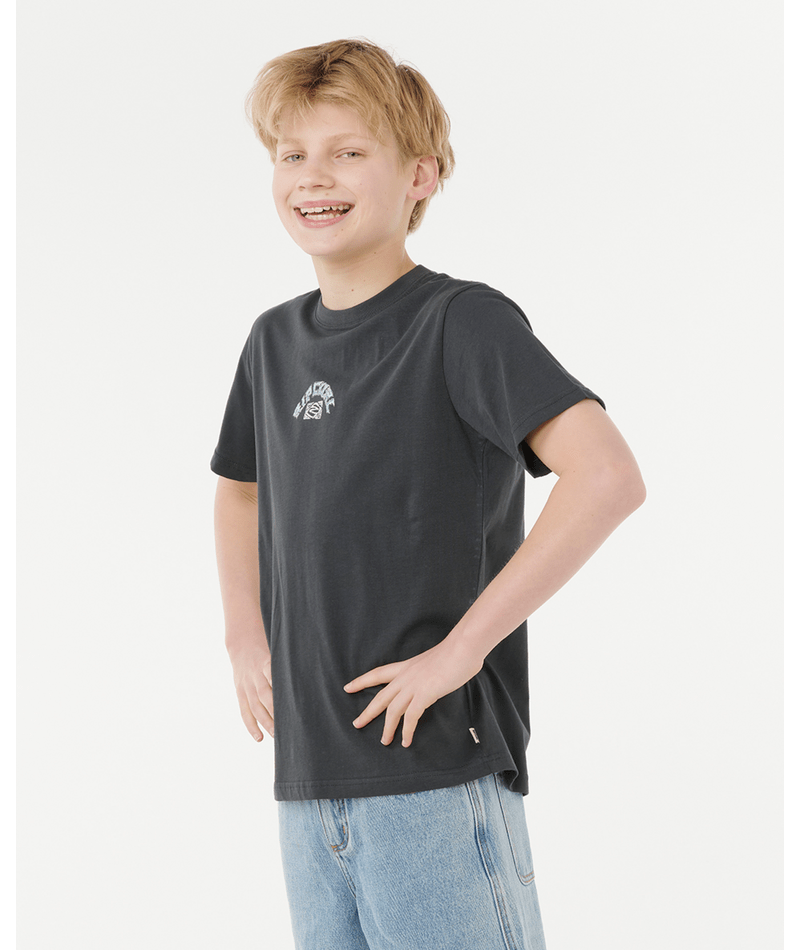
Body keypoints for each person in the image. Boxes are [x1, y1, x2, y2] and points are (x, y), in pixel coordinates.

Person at [211, 38, 646, 950]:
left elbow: (606, 475)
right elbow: (239, 490)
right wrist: (244, 633)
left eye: (348, 151)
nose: (313, 176)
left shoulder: (460, 321)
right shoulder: (272, 342)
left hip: (435, 774)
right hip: (308, 783)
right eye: (292, 154)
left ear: (421, 174)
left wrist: (460, 652)